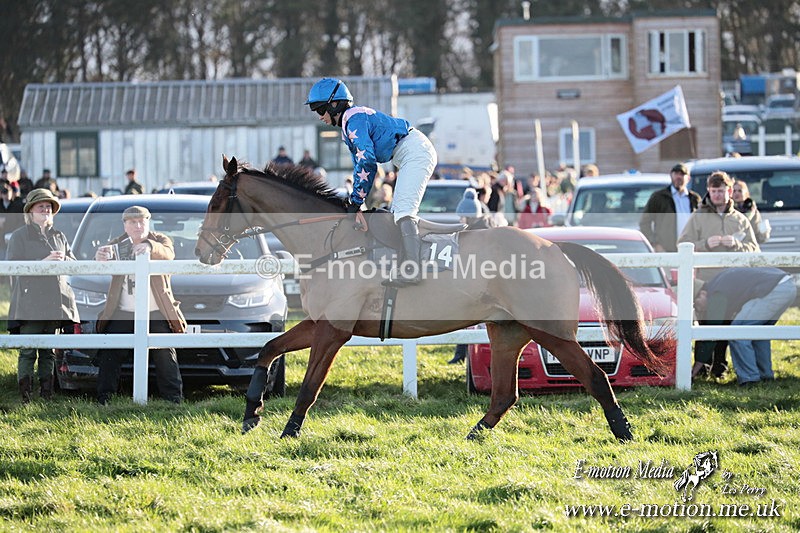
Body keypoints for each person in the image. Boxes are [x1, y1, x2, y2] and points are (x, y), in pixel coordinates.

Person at [305, 77, 437, 286]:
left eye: (320, 110)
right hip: (409, 152)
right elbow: (361, 166)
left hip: (415, 152)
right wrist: (355, 201)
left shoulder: (353, 119)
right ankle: (406, 265)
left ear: (334, 104)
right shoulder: (350, 121)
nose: (319, 117)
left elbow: (367, 163)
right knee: (397, 213)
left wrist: (355, 201)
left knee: (403, 211)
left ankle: (413, 270)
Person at [94, 206, 185, 405]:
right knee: (110, 353)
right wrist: (100, 256)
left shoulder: (160, 240)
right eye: (132, 222)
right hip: (123, 312)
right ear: (124, 225)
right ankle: (104, 400)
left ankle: (174, 401)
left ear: (148, 222)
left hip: (155, 312)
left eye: (141, 221)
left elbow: (168, 253)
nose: (137, 226)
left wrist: (150, 247)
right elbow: (102, 261)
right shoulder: (117, 244)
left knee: (165, 355)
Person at [679, 170, 760, 378]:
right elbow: (682, 245)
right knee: (706, 324)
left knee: (726, 323)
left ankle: (720, 367)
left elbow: (754, 249)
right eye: (713, 190)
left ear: (730, 191)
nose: (716, 194)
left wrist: (737, 245)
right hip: (707, 282)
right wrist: (705, 244)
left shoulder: (740, 219)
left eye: (720, 190)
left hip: (734, 282)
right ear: (708, 191)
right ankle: (702, 369)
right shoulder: (698, 217)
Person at [6, 188, 80, 402]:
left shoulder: (60, 236)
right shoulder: (20, 236)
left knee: (48, 351)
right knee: (29, 349)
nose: (46, 210)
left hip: (56, 300)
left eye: (49, 207)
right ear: (31, 211)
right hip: (30, 301)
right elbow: (12, 267)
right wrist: (42, 264)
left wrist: (64, 262)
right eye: (41, 206)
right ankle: (26, 396)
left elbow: (75, 264)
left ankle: (46, 394)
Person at [692, 268, 796, 385]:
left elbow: (712, 333)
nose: (697, 309)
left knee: (738, 332)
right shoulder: (718, 284)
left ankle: (750, 379)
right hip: (787, 286)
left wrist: (693, 372)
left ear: (702, 293)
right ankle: (765, 376)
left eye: (695, 303)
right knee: (758, 333)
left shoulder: (716, 294)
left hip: (773, 288)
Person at [639, 163, 702, 252]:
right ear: (671, 176)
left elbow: (702, 223)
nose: (678, 177)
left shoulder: (695, 199)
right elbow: (644, 222)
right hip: (666, 250)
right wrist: (655, 244)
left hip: (690, 249)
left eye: (682, 174)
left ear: (688, 178)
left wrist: (700, 244)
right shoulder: (659, 197)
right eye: (676, 174)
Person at [733, 179, 770, 244]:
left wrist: (765, 232)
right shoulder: (729, 210)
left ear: (746, 193)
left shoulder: (753, 211)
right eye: (734, 191)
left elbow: (759, 235)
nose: (736, 193)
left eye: (740, 191)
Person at [0, 177, 24, 259]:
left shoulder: (17, 205)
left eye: (8, 192)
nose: (6, 195)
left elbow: (21, 220)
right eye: (4, 192)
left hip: (13, 235)